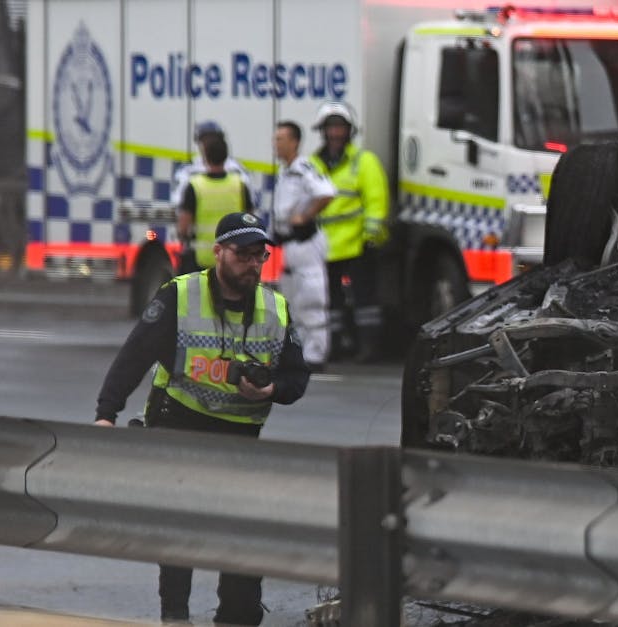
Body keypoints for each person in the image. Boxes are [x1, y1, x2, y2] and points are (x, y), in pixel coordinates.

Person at [92, 212, 311, 624]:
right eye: (242, 253)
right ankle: (175, 616)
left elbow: (297, 379)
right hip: (180, 423)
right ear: (218, 253)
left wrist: (271, 389)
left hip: (239, 435)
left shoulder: (274, 307)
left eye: (258, 255)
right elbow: (134, 356)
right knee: (182, 528)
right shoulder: (179, 295)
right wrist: (107, 414)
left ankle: (237, 617)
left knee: (242, 533)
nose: (252, 263)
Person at [308, 101, 390, 363]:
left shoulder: (363, 161)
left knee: (365, 301)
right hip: (324, 245)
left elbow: (376, 200)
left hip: (357, 243)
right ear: (323, 131)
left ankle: (369, 347)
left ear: (349, 130)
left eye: (340, 127)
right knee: (329, 302)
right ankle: (334, 346)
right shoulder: (312, 164)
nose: (335, 133)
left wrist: (371, 236)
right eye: (330, 128)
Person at [271, 120, 335, 371]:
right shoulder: (285, 172)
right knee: (291, 302)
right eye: (275, 139)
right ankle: (298, 352)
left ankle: (316, 355)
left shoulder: (303, 168)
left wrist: (305, 216)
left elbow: (326, 192)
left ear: (294, 142)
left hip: (305, 243)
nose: (276, 145)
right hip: (288, 245)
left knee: (311, 299)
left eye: (280, 139)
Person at [174, 135, 254, 273]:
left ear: (205, 157)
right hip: (233, 260)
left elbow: (183, 227)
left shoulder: (195, 186)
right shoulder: (239, 185)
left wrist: (185, 237)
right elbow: (251, 221)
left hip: (203, 261)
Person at [170, 120, 249, 205]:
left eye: (213, 139)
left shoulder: (237, 169)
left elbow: (249, 204)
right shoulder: (187, 170)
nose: (208, 144)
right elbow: (178, 202)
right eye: (204, 140)